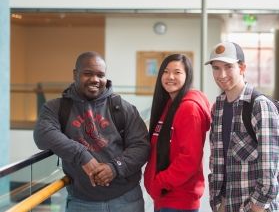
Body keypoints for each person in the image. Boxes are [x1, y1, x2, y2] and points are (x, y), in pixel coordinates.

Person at [33, 51, 150, 212]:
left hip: (126, 200)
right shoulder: (57, 108)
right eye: (88, 73)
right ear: (75, 74)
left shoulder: (123, 108)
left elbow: (141, 146)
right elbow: (42, 135)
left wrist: (114, 168)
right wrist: (82, 155)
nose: (95, 79)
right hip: (82, 203)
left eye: (100, 75)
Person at [205, 42, 279, 212]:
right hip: (226, 203)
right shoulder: (217, 107)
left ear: (242, 68)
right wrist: (218, 202)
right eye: (216, 68)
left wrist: (257, 206)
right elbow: (216, 158)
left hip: (254, 206)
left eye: (228, 67)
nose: (222, 74)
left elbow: (271, 165)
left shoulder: (259, 105)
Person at [144, 54, 211, 212]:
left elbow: (189, 159)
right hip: (165, 198)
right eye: (166, 72)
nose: (170, 77)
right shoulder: (169, 105)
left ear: (187, 77)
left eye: (177, 72)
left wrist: (160, 183)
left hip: (178, 201)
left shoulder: (189, 109)